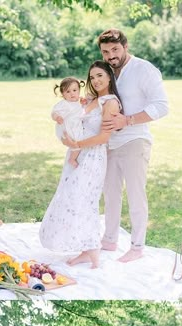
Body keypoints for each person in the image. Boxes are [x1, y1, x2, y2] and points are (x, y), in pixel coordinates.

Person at [95, 29, 169, 262]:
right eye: (106, 52)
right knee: (111, 194)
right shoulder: (106, 71)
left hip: (135, 140)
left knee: (136, 195)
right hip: (109, 142)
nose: (111, 55)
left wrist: (128, 120)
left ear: (126, 47)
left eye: (115, 50)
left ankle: (137, 247)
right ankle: (109, 241)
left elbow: (162, 106)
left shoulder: (144, 70)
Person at [39, 61, 122, 269]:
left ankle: (93, 251)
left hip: (93, 156)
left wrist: (77, 144)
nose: (96, 80)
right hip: (77, 154)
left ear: (109, 77)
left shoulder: (110, 102)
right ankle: (85, 250)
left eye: (100, 75)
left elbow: (103, 136)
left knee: (84, 200)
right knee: (72, 199)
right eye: (92, 77)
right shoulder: (91, 100)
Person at [51, 77, 86, 168]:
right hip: (67, 127)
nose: (72, 94)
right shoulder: (64, 104)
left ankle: (72, 157)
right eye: (68, 91)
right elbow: (54, 112)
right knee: (77, 142)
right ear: (63, 94)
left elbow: (82, 110)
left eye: (74, 90)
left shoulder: (79, 102)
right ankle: (72, 159)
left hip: (75, 126)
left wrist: (83, 103)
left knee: (79, 142)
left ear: (79, 91)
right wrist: (57, 117)